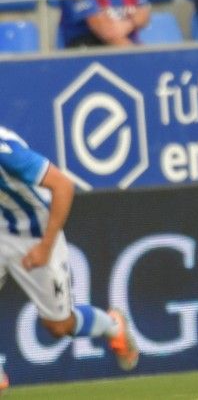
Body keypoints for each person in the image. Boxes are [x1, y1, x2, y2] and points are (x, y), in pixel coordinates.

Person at [0, 126, 139, 394]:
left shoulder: (6, 153)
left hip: (36, 234)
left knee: (58, 325)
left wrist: (45, 246)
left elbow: (63, 185)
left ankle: (113, 325)